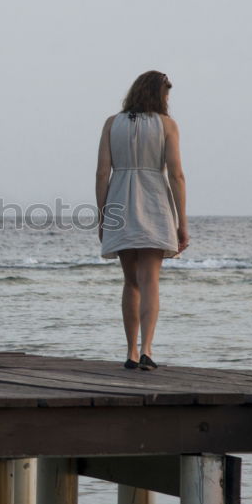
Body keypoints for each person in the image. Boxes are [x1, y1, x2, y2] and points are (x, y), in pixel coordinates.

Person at [95, 70, 189, 370]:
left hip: (120, 202)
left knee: (130, 282)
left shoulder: (112, 123)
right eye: (166, 94)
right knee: (150, 281)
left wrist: (102, 214)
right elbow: (176, 175)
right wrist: (182, 222)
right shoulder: (167, 125)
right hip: (153, 202)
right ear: (158, 95)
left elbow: (101, 173)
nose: (168, 100)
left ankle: (130, 353)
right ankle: (147, 348)